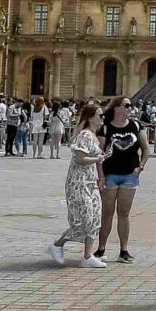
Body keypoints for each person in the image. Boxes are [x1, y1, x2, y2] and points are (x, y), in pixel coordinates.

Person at [52, 103, 107, 267]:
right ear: (91, 118)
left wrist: (101, 173)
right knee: (85, 218)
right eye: (100, 115)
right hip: (79, 183)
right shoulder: (84, 135)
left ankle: (87, 256)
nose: (102, 118)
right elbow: (80, 158)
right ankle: (57, 245)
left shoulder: (93, 136)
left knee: (95, 216)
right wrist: (99, 158)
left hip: (90, 182)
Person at [96, 97, 145, 262]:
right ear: (117, 108)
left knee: (124, 213)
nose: (130, 108)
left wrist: (141, 166)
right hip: (110, 175)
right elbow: (99, 154)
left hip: (130, 175)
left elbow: (146, 149)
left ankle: (124, 250)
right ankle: (101, 249)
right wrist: (101, 176)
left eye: (131, 105)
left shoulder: (136, 126)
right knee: (107, 213)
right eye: (127, 105)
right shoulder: (105, 128)